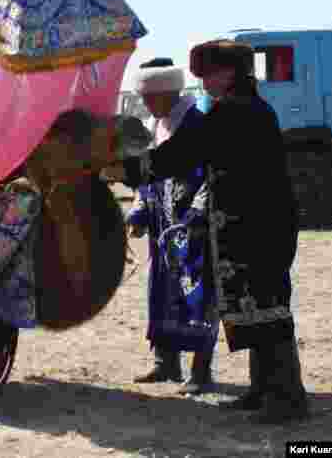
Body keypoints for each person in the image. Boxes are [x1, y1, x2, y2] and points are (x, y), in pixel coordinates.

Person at [120, 40, 309, 424]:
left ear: (231, 73)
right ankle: (264, 390)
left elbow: (186, 151)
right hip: (257, 228)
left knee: (268, 312)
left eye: (209, 74)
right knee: (257, 310)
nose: (203, 81)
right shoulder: (248, 108)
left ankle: (287, 399)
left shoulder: (235, 112)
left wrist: (127, 169)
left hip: (258, 230)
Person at [126, 58, 217, 395]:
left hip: (191, 227)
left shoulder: (197, 124)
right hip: (162, 226)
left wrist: (197, 214)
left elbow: (212, 175)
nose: (146, 103)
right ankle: (166, 363)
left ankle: (200, 372)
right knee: (162, 293)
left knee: (197, 296)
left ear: (168, 91)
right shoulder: (155, 124)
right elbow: (148, 175)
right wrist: (138, 210)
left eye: (150, 96)